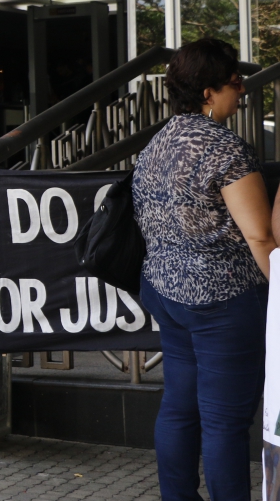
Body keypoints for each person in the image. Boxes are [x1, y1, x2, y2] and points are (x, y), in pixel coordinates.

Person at [133, 38, 276, 501]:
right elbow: (259, 235)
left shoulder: (156, 144)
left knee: (179, 408)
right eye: (236, 82)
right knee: (225, 422)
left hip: (167, 292)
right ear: (209, 91)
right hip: (225, 302)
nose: (242, 91)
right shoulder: (224, 148)